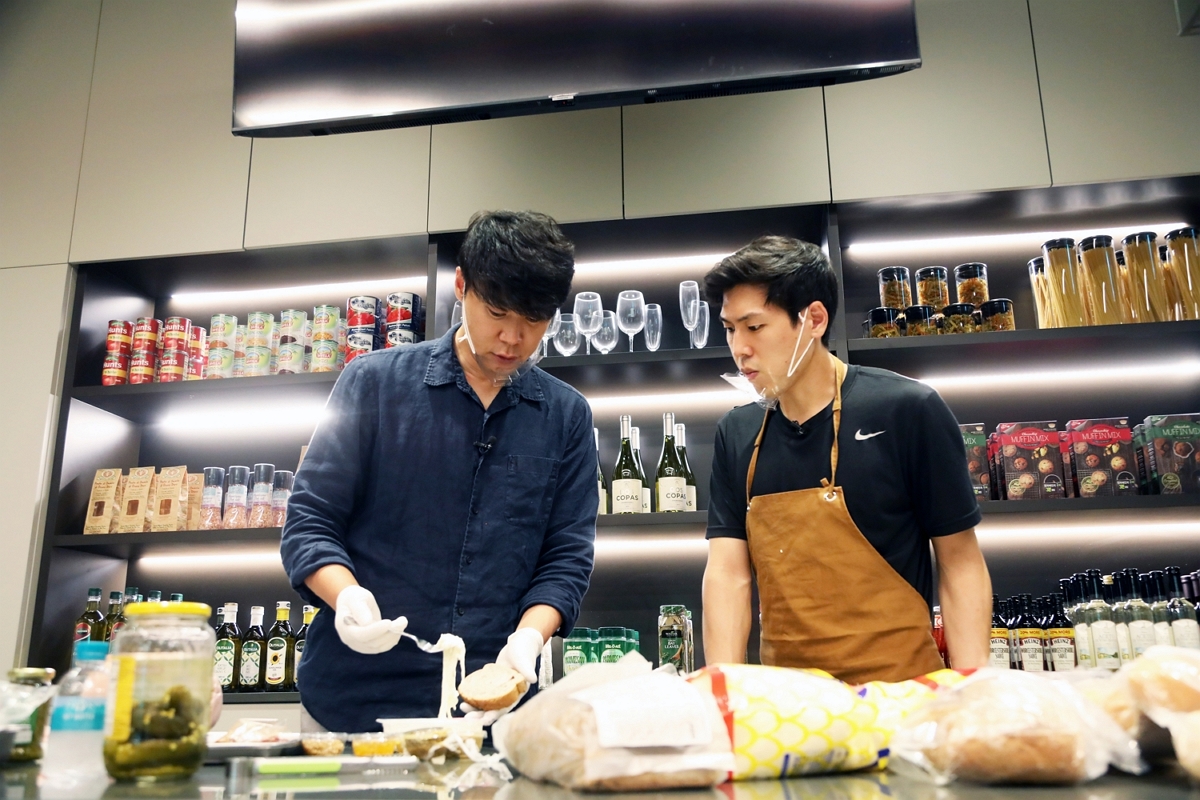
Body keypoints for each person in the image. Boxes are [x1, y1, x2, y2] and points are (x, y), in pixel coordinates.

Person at [281, 210, 598, 732]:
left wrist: (528, 639)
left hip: (493, 707)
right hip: (354, 699)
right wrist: (346, 596)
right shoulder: (373, 383)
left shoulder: (566, 416)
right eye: (497, 312)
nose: (512, 338)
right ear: (461, 285)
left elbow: (567, 557)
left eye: (535, 320)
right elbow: (310, 521)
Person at [701, 236, 991, 683]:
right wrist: (722, 691)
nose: (739, 348)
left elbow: (961, 563)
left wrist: (974, 688)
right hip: (792, 706)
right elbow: (727, 575)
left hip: (902, 697)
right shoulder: (737, 433)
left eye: (754, 327)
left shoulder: (907, 409)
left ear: (814, 319)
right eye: (729, 329)